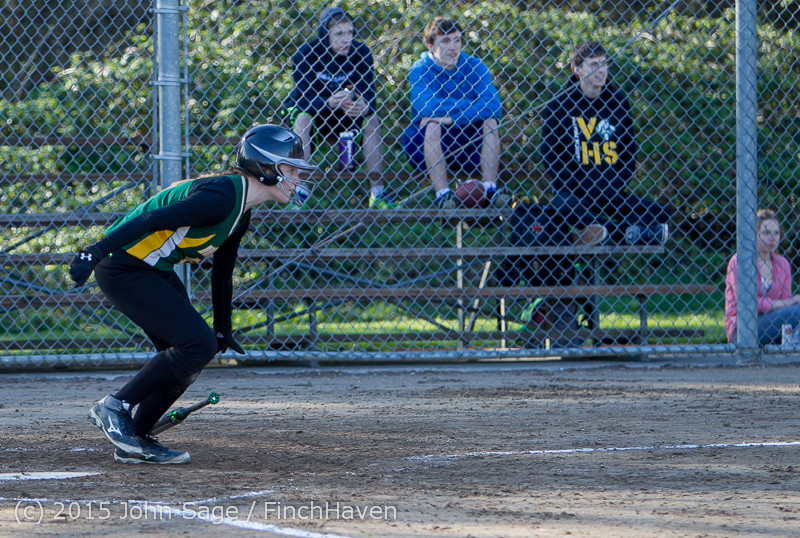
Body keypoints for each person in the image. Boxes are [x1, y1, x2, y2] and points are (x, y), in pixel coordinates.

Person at [69, 124, 316, 464]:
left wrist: (222, 329)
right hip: (124, 267)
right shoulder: (223, 195)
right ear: (265, 168)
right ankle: (114, 407)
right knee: (193, 345)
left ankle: (136, 439)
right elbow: (153, 218)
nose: (298, 178)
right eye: (291, 170)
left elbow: (223, 270)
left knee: (195, 351)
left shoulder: (240, 208)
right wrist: (92, 252)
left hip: (150, 269)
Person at [541, 41, 672, 245]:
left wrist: (616, 184)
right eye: (594, 65)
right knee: (562, 205)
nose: (601, 71)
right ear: (577, 69)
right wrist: (579, 184)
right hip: (576, 193)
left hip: (610, 191)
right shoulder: (558, 105)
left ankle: (605, 233)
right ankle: (626, 233)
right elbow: (550, 156)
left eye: (604, 64)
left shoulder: (618, 103)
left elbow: (628, 152)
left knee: (661, 212)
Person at [281, 7, 393, 209]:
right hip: (316, 115)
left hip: (346, 117)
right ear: (326, 34)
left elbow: (370, 97)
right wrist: (329, 102)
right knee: (302, 119)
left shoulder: (360, 52)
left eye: (349, 33)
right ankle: (299, 193)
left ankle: (378, 193)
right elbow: (302, 100)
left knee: (372, 120)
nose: (346, 39)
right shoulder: (306, 54)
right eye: (339, 34)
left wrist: (362, 106)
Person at [401, 16, 508, 209]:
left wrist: (451, 118)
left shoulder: (475, 66)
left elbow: (493, 106)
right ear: (430, 45)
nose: (453, 47)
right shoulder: (420, 69)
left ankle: (490, 190)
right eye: (445, 41)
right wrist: (472, 106)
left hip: (468, 143)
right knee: (433, 125)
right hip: (425, 145)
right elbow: (428, 108)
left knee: (490, 122)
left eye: (457, 40)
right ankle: (444, 197)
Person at [724, 209, 800, 346]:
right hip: (743, 329)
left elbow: (784, 305)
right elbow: (748, 304)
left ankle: (792, 347)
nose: (772, 237)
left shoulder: (783, 264)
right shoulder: (740, 261)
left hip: (774, 324)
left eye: (776, 233)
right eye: (766, 232)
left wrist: (787, 304)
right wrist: (786, 304)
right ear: (754, 233)